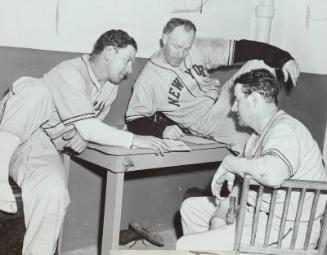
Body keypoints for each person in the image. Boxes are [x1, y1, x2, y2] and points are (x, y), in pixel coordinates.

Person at [0, 29, 169, 255]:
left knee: (54, 192)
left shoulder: (110, 87)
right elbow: (89, 127)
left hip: (41, 145)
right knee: (35, 89)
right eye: (127, 60)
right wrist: (134, 139)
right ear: (109, 52)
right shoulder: (70, 72)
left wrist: (81, 135)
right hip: (11, 132)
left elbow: (87, 127)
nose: (130, 70)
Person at [176, 67, 327, 250]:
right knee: (191, 208)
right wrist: (219, 215)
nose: (233, 108)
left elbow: (272, 175)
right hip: (258, 216)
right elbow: (240, 189)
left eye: (238, 100)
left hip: (287, 231)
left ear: (254, 99)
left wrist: (230, 162)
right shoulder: (256, 138)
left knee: (183, 245)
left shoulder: (285, 130)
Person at [125, 18, 300, 153]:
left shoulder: (196, 48)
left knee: (261, 65)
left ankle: (272, 125)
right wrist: (162, 129)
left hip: (227, 96)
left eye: (187, 48)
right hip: (205, 121)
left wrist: (283, 59)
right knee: (253, 146)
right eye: (176, 46)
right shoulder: (148, 79)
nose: (181, 54)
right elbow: (133, 120)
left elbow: (241, 48)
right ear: (164, 39)